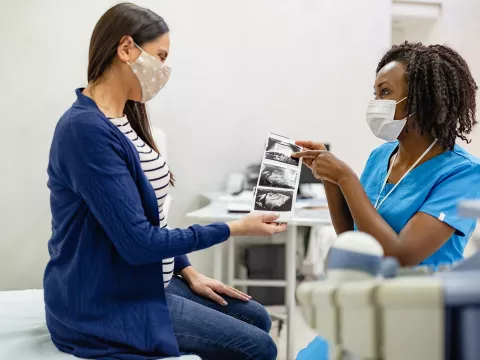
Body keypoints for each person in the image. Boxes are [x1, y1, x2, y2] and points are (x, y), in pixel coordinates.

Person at [44, 3, 285, 360]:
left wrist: (186, 269)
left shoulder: (125, 118)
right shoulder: (85, 131)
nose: (164, 70)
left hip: (146, 279)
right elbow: (139, 242)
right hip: (107, 300)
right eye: (160, 56)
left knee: (257, 316)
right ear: (126, 49)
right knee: (259, 347)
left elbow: (150, 213)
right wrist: (234, 228)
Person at [293, 42, 480, 268]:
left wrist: (345, 177)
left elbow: (401, 256)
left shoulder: (464, 173)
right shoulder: (380, 156)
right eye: (375, 93)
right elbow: (353, 238)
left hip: (423, 299)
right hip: (370, 292)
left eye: (385, 92)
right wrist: (330, 180)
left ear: (420, 100)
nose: (376, 103)